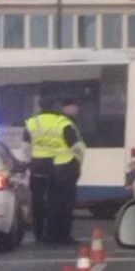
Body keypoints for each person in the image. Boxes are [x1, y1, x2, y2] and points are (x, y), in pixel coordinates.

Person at [23, 94, 62, 243]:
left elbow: (26, 147)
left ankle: (38, 233)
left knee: (37, 202)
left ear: (39, 106)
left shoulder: (31, 123)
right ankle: (53, 232)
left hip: (37, 167)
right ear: (53, 107)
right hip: (55, 167)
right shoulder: (59, 122)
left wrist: (29, 161)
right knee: (54, 201)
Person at [49, 98, 86, 244]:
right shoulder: (67, 124)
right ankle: (64, 235)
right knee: (67, 204)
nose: (78, 110)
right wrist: (79, 159)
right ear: (68, 107)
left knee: (54, 204)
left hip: (53, 168)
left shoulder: (56, 122)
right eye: (76, 106)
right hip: (67, 167)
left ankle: (53, 235)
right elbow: (77, 147)